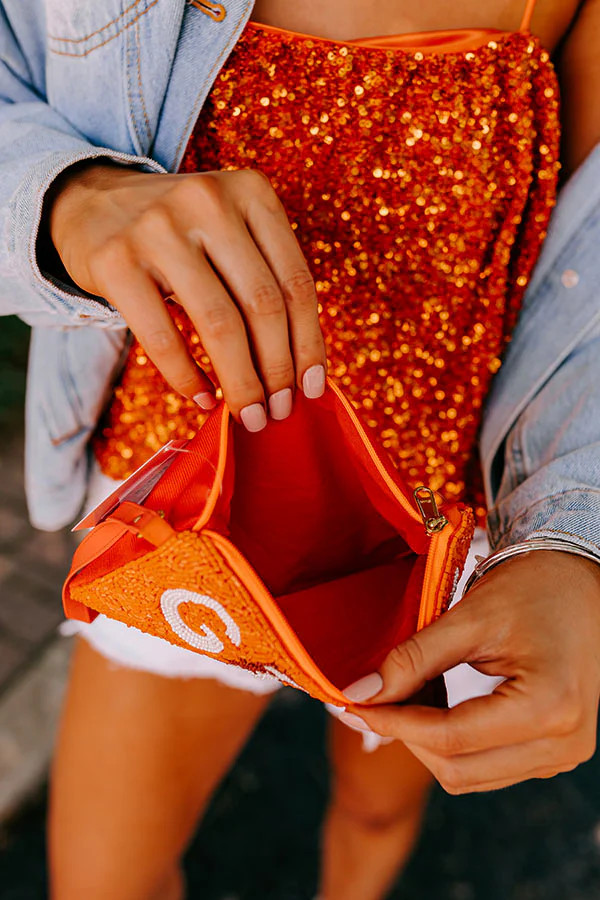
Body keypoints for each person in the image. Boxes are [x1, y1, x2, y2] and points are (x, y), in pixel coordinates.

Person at [0, 0, 599, 898]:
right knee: (103, 880)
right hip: (195, 507)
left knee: (377, 809)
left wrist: (575, 541)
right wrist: (69, 197)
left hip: (439, 523)